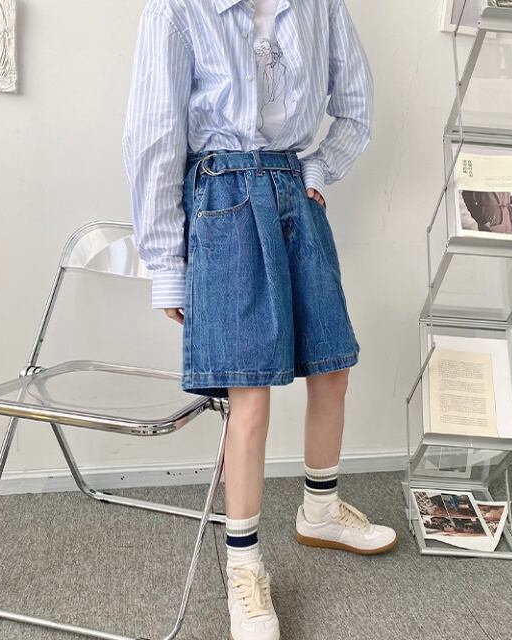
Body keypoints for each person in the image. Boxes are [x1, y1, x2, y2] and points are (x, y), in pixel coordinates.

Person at [122, 1, 397, 638]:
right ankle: (243, 566)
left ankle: (320, 510)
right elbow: (154, 135)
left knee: (331, 365)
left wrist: (319, 167)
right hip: (220, 196)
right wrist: (166, 262)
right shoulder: (176, 8)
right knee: (249, 393)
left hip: (293, 192)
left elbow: (356, 102)